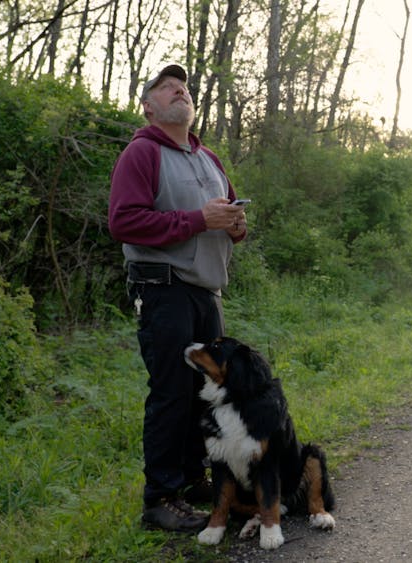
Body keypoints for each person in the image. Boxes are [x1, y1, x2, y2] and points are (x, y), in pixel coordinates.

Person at [108, 64, 247, 532]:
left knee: (204, 394)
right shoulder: (141, 153)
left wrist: (236, 226)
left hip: (207, 292)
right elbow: (124, 222)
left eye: (184, 89)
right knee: (171, 393)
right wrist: (196, 221)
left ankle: (192, 481)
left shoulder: (209, 158)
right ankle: (160, 498)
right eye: (167, 89)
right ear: (148, 107)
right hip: (163, 288)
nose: (179, 93)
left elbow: (224, 217)